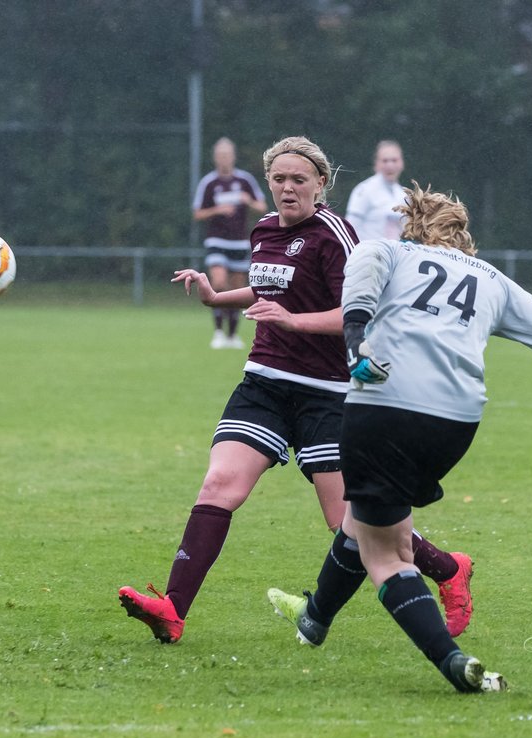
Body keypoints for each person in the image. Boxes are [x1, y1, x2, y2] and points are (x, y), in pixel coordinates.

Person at [119, 138, 474, 644]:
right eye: (280, 179)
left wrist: (293, 321)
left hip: (326, 394)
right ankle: (172, 609)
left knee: (346, 521)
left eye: (299, 180)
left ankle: (448, 569)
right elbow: (272, 289)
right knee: (219, 485)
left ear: (321, 185)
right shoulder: (263, 229)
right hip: (263, 383)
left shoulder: (335, 235)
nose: (288, 188)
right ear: (268, 181)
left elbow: (360, 312)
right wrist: (216, 295)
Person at [268, 182, 532, 692]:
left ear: (413, 226)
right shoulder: (492, 279)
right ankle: (314, 618)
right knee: (365, 519)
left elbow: (360, 279)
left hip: (382, 406)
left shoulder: (389, 250)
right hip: (454, 423)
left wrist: (357, 339)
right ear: (463, 238)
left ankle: (454, 662)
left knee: (388, 554)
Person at [192, 138, 267, 349]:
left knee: (236, 289)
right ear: (215, 158)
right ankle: (217, 332)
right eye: (220, 155)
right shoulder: (209, 183)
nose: (224, 159)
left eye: (227, 154)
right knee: (218, 283)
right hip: (216, 240)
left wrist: (248, 201)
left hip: (239, 242)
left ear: (233, 156)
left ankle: (232, 335)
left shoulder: (245, 181)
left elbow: (261, 206)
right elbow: (197, 213)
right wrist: (218, 210)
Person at [345, 140, 406, 242]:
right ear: (376, 164)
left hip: (395, 255)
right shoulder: (364, 190)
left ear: (402, 163)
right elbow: (350, 228)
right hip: (368, 254)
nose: (390, 165)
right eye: (385, 161)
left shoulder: (403, 195)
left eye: (394, 160)